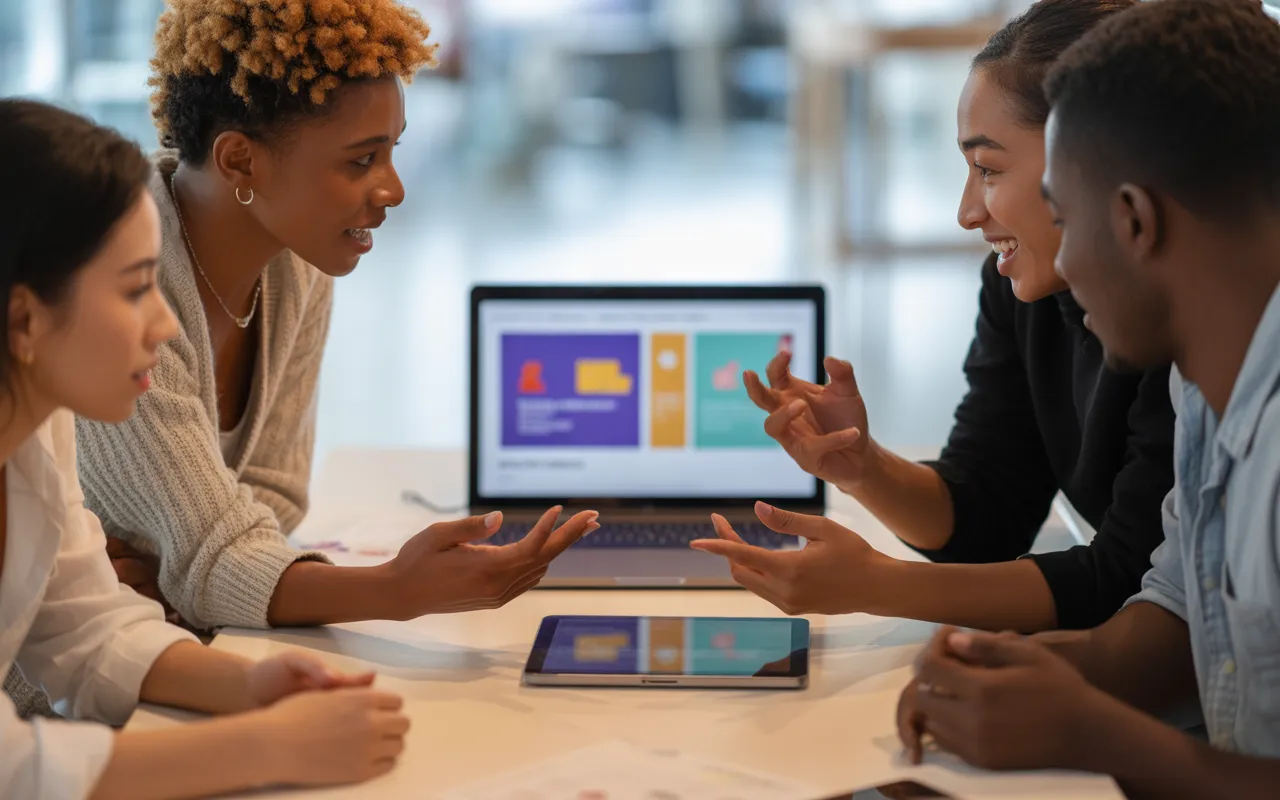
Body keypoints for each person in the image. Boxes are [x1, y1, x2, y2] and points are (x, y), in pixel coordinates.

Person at [72, 0, 599, 634]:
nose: (393, 189)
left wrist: (196, 577)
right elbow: (214, 558)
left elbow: (271, 497)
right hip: (58, 689)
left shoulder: (295, 266)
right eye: (360, 160)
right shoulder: (123, 288)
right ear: (240, 160)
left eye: (392, 151)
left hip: (161, 639)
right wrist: (395, 591)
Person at [691, 0, 1175, 634]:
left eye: (989, 169)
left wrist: (878, 585)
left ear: (1099, 161)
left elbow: (1130, 585)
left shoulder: (1187, 326)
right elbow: (987, 520)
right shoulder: (1022, 288)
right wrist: (862, 465)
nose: (967, 212)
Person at [897, 2, 1280, 795]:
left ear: (1136, 220)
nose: (1063, 267)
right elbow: (1176, 615)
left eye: (1065, 219)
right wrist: (1014, 673)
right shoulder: (1206, 389)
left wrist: (1091, 730)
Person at [0, 98, 412, 799]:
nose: (165, 324)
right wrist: (264, 746)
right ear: (25, 318)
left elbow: (86, 622)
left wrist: (249, 683)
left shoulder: (38, 424)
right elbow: (15, 769)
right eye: (135, 291)